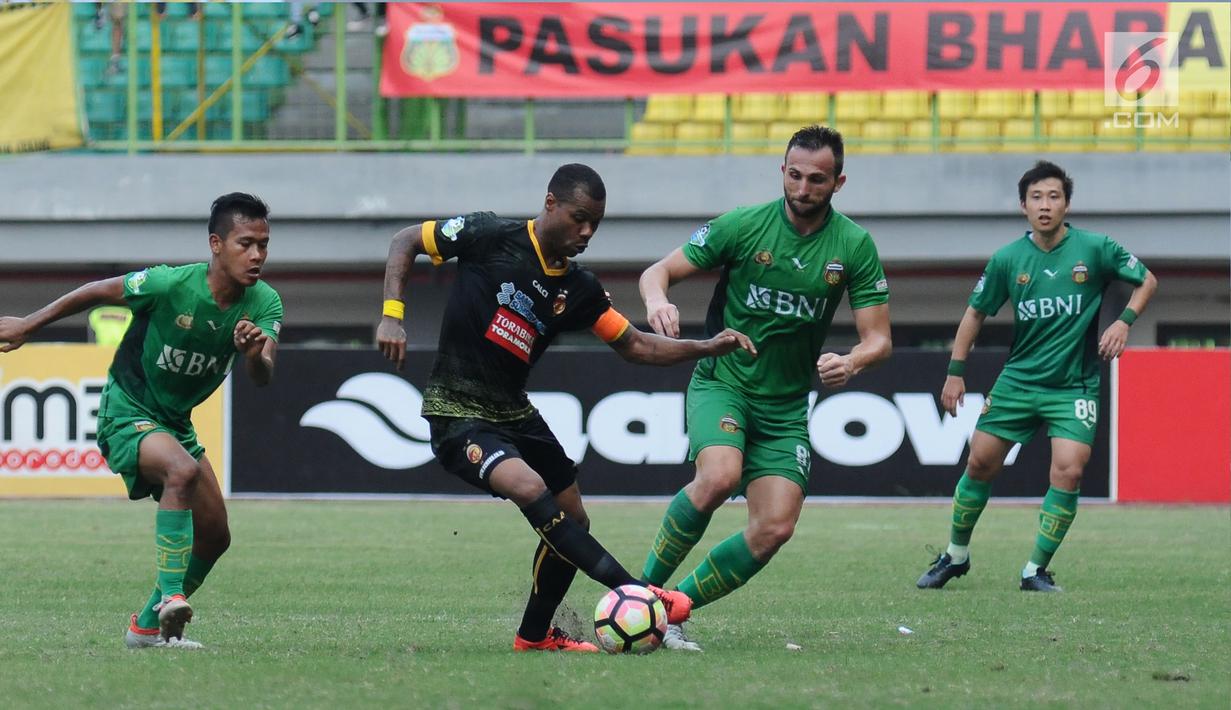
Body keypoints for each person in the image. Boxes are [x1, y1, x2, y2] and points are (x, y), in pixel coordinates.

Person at [376, 163, 757, 652]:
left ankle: (534, 637)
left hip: (515, 413)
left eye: (595, 223)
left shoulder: (579, 289)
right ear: (550, 203)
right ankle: (639, 592)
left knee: (574, 518)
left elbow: (636, 345)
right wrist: (392, 315)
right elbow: (405, 240)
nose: (587, 232)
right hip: (457, 411)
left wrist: (706, 347)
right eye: (579, 218)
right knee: (531, 489)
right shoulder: (488, 234)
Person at [635, 125, 893, 651]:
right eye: (794, 175)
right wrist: (658, 301)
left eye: (816, 180)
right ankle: (636, 596)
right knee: (718, 477)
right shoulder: (744, 225)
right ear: (782, 171)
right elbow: (657, 272)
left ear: (838, 183)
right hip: (724, 382)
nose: (802, 188)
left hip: (785, 407)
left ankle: (673, 611)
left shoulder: (853, 245)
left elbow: (880, 340)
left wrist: (852, 361)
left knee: (775, 526)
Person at [0, 193, 283, 649]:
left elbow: (264, 374)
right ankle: (171, 596)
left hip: (176, 425)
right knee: (181, 471)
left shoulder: (265, 303)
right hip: (126, 410)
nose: (256, 256)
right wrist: (30, 325)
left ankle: (147, 627)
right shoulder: (169, 284)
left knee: (215, 536)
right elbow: (98, 290)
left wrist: (253, 354)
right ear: (216, 244)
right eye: (245, 243)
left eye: (263, 245)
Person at [916, 160, 1158, 593]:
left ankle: (1035, 571)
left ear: (1067, 204)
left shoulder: (1095, 248)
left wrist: (1123, 322)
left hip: (1073, 386)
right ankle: (955, 555)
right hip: (1018, 381)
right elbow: (975, 313)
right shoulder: (1008, 259)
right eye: (1036, 198)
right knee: (979, 462)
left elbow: (1147, 280)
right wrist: (955, 372)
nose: (1045, 205)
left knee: (1069, 471)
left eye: (1053, 197)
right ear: (1023, 206)